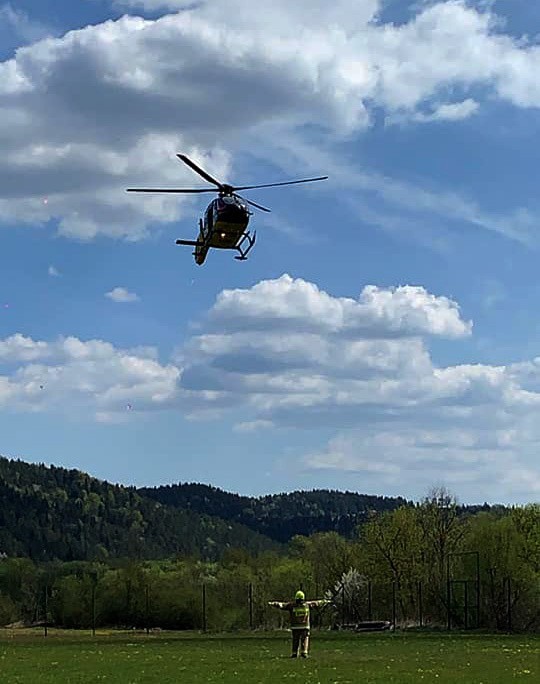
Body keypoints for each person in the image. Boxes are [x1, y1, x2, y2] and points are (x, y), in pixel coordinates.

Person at [268, 590, 330, 658]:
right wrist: (325, 601)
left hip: (295, 627)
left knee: (295, 639)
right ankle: (304, 652)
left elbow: (282, 605)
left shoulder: (292, 606)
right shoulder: (307, 605)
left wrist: (273, 603)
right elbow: (317, 603)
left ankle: (294, 653)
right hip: (305, 626)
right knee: (305, 638)